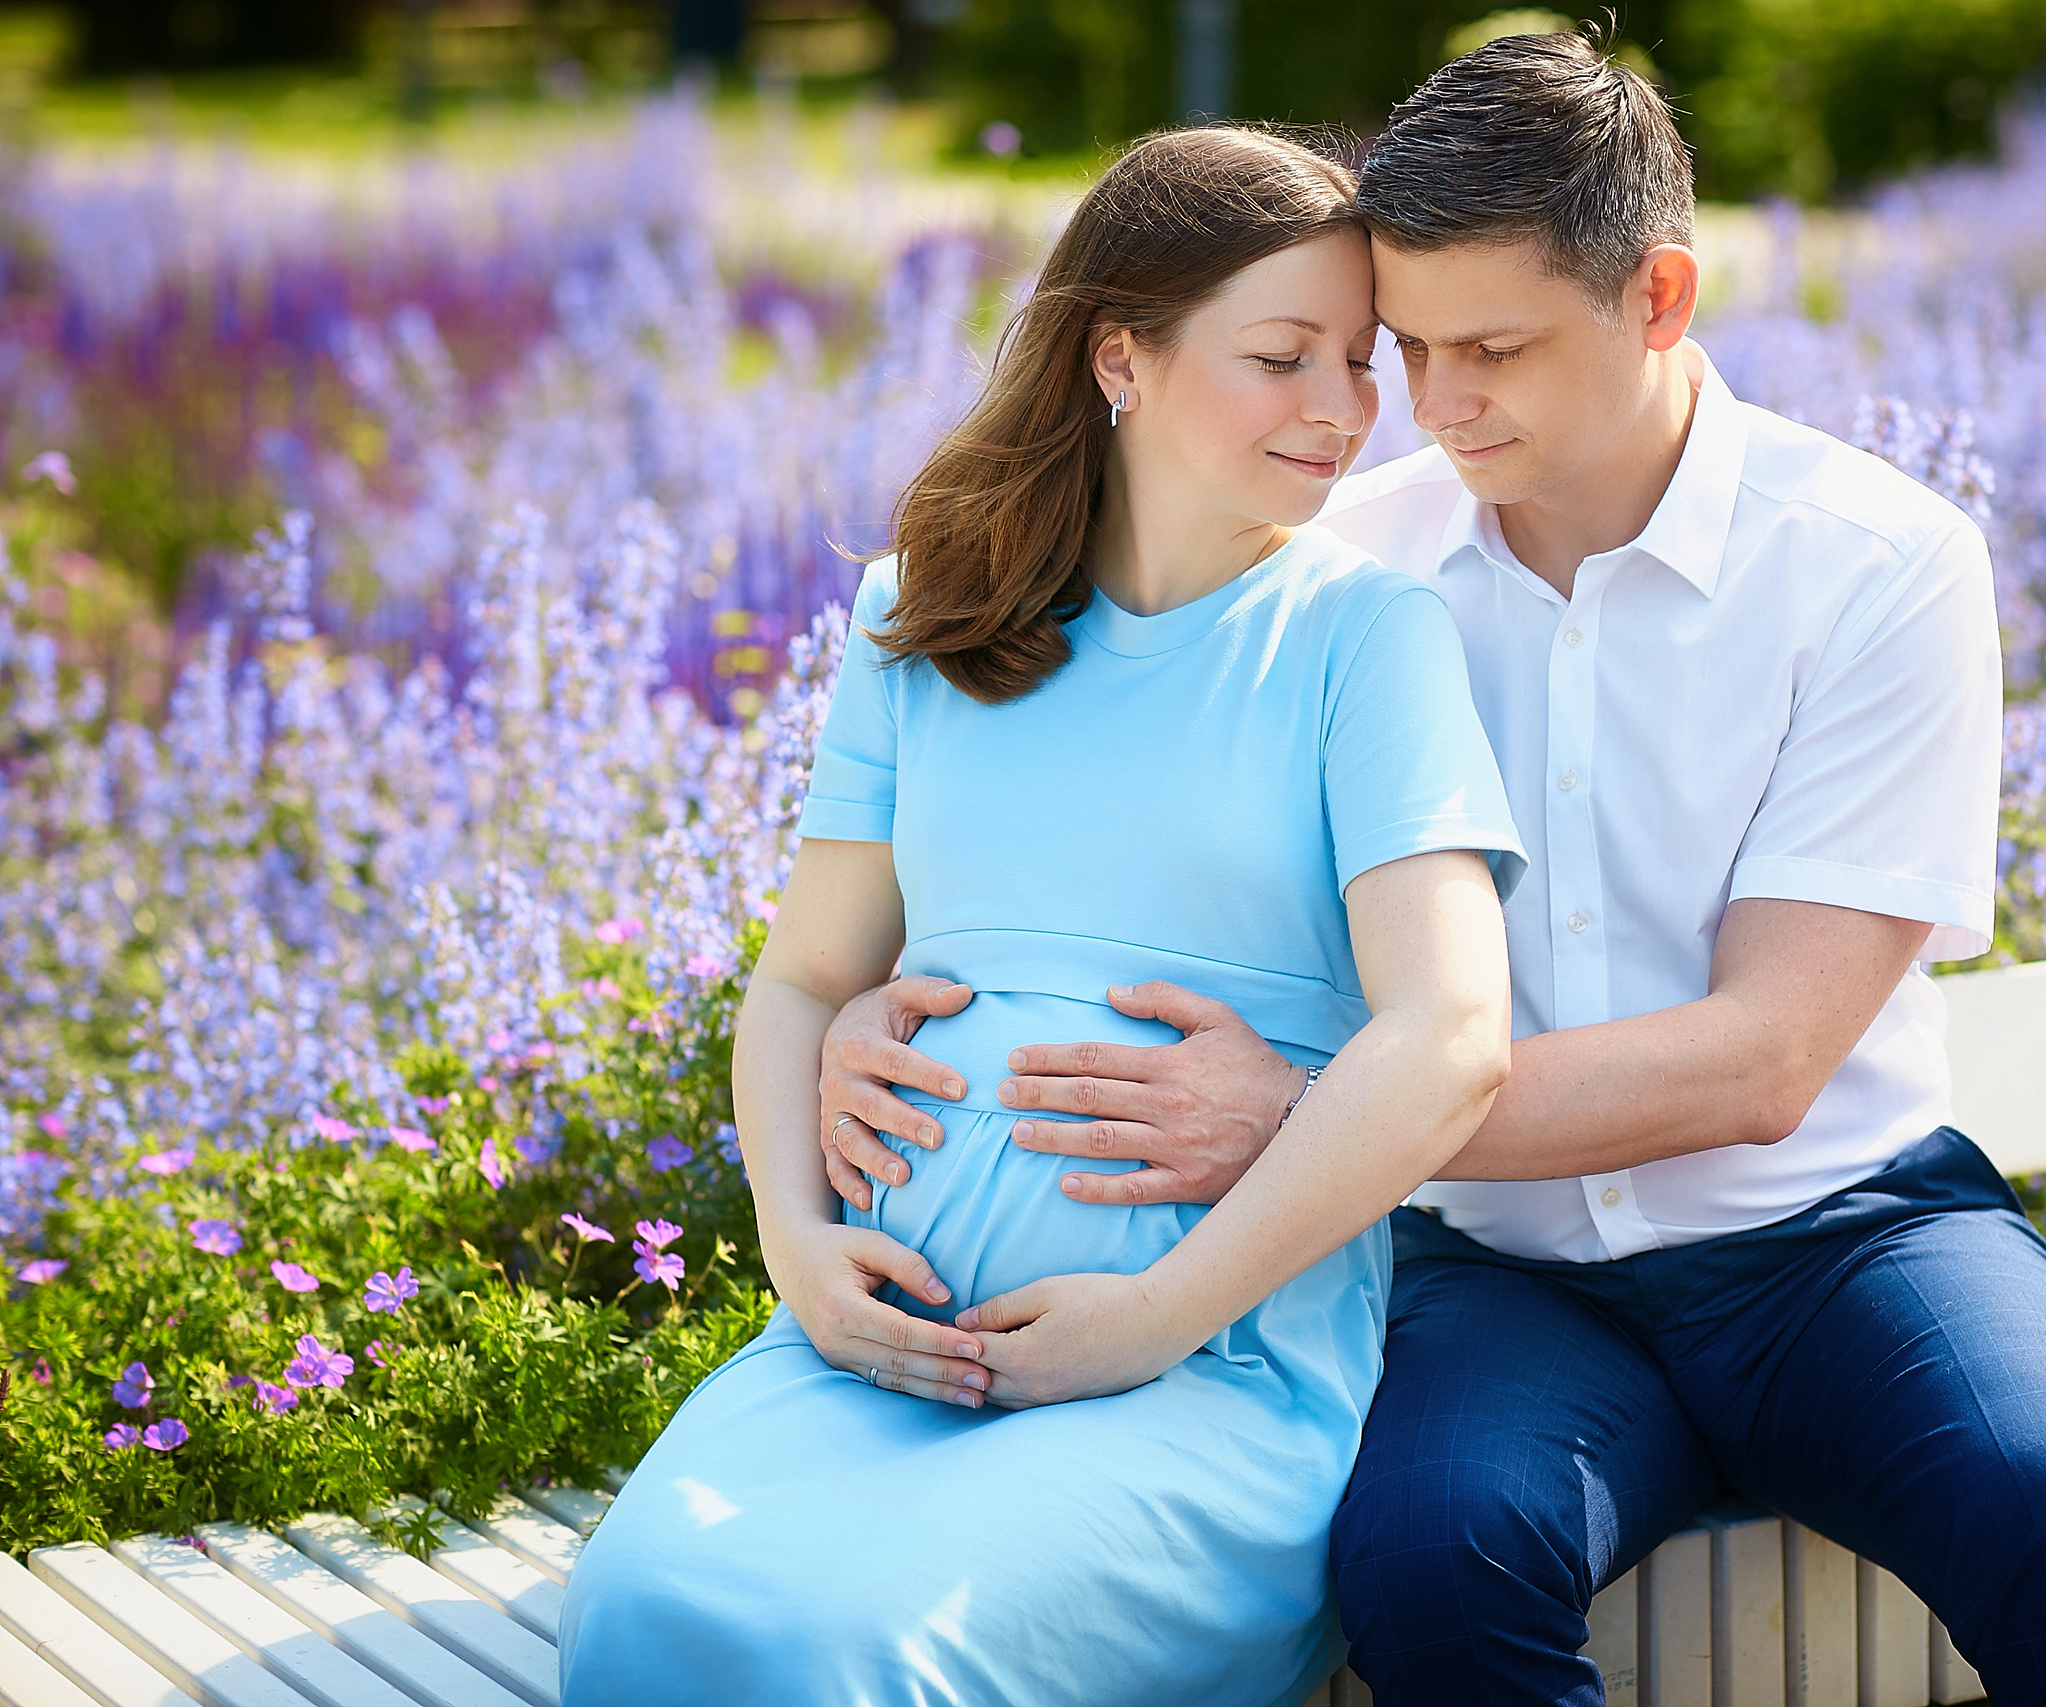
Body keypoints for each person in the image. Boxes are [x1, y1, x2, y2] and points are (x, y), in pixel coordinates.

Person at [819, 32, 2046, 1707]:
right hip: (1490, 1280)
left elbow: (1766, 1060)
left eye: (1494, 347)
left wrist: (1303, 1110)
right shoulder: (1342, 570)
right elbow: (1115, 840)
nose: (1430, 405)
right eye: (1406, 346)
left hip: (1845, 1244)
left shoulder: (1879, 567)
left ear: (1661, 296)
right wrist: (872, 1017)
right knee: (1426, 1569)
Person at [558, 127, 1525, 1707]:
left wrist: (1147, 1320)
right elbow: (804, 979)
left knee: (855, 1661)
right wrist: (800, 1256)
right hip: (871, 1347)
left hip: (1203, 1374)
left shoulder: (1366, 636)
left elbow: (1452, 1036)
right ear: (1119, 359)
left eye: (1362, 363)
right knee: (646, 1620)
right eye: (1283, 357)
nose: (1343, 411)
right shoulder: (919, 614)